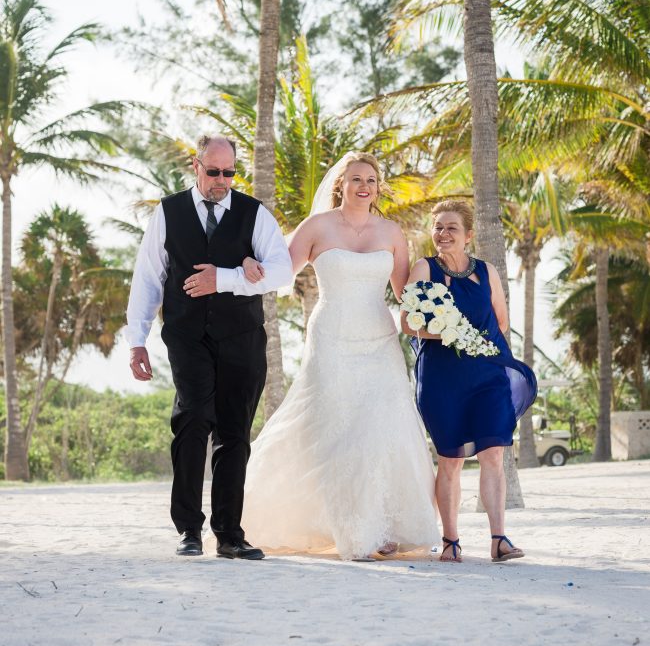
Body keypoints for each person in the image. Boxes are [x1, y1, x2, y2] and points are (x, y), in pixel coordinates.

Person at [240, 152, 439, 560]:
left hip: (379, 339)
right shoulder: (317, 227)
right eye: (355, 179)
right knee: (336, 429)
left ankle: (383, 527)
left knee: (383, 428)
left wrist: (444, 315)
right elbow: (280, 272)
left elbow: (406, 297)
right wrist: (248, 264)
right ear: (340, 186)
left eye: (371, 179)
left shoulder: (392, 233)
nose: (364, 186)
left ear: (378, 187)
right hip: (331, 337)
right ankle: (350, 529)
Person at [126, 135, 293, 560]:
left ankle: (230, 535)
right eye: (214, 171)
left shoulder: (254, 214)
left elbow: (281, 272)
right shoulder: (168, 213)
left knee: (234, 432)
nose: (223, 181)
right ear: (196, 166)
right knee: (194, 418)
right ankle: (189, 529)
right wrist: (136, 341)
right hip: (186, 334)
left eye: (230, 173)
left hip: (242, 337)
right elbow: (147, 278)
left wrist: (230, 276)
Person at [402, 200, 537, 563]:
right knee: (450, 460)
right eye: (438, 227)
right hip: (442, 379)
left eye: (452, 228)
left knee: (494, 453)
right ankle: (451, 540)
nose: (444, 234)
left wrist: (476, 343)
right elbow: (408, 324)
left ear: (468, 235)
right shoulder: (423, 269)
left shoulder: (487, 271)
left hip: (488, 373)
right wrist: (451, 334)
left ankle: (499, 539)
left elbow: (502, 322)